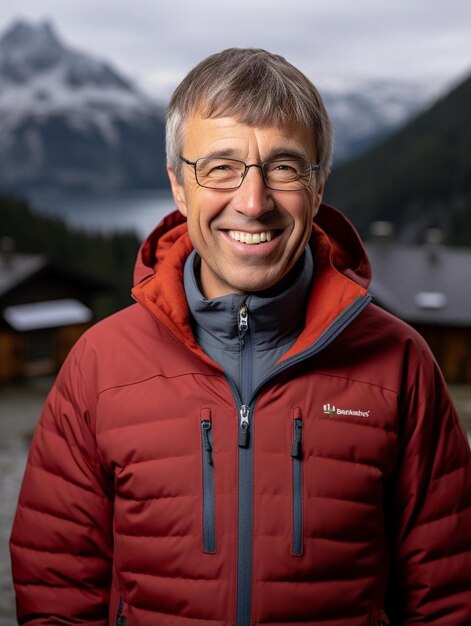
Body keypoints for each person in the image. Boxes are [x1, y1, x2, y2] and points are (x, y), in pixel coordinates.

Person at [10, 48, 471, 626]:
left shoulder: (401, 363)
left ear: (319, 184)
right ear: (179, 187)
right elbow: (57, 587)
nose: (252, 204)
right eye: (220, 167)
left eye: (284, 167)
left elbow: (450, 592)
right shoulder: (99, 364)